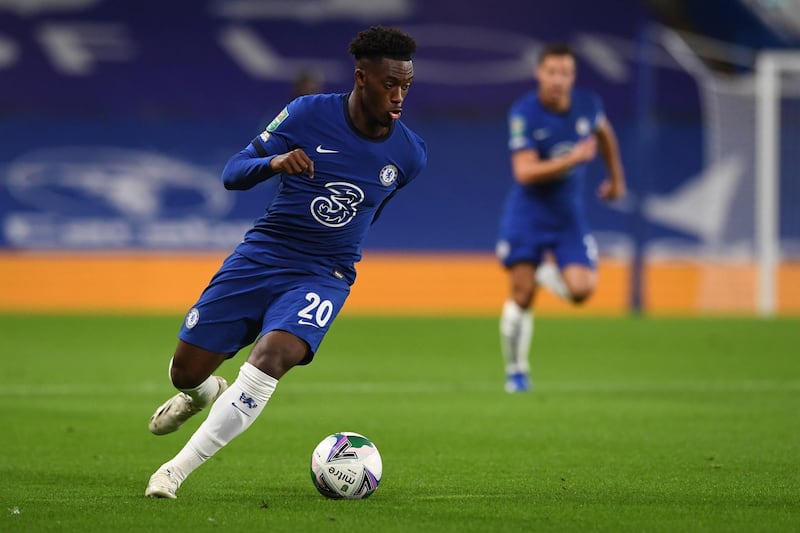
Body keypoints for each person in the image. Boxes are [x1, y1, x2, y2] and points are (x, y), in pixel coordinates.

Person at [144, 26, 426, 499]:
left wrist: (338, 258)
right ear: (362, 78)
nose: (399, 97)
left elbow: (369, 214)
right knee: (184, 371)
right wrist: (273, 164)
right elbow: (233, 173)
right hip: (264, 254)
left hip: (325, 274)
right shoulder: (306, 114)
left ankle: (172, 472)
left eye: (406, 87)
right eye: (389, 85)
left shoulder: (410, 154)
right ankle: (201, 393)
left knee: (270, 358)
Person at [495, 43, 626, 393]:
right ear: (539, 73)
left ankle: (540, 269)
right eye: (551, 72)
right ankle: (517, 372)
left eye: (565, 73)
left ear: (573, 76)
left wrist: (616, 179)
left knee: (582, 290)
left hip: (567, 216)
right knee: (521, 296)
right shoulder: (524, 112)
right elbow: (524, 172)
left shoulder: (588, 104)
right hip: (528, 214)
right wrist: (572, 160)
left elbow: (606, 134)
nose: (558, 79)